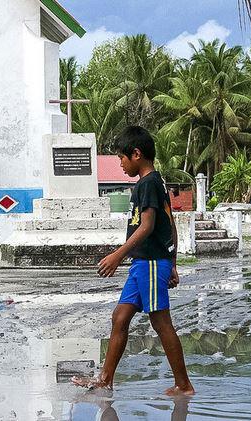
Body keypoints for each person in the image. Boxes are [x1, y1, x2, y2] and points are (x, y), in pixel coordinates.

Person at [72, 126, 195, 396]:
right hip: (146, 263)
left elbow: (148, 226)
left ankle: (184, 385)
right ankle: (105, 378)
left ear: (136, 154)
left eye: (122, 158)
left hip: (150, 262)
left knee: (161, 322)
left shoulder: (148, 183)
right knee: (120, 316)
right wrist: (172, 262)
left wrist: (118, 255)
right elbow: (170, 223)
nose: (120, 164)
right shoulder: (153, 182)